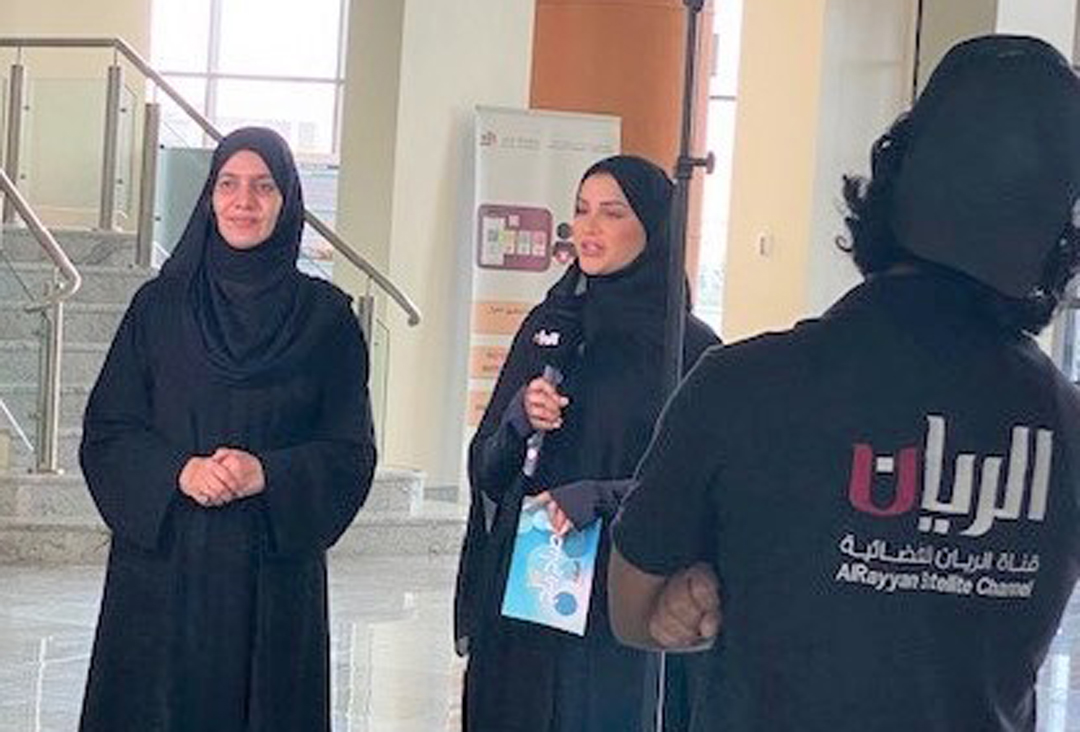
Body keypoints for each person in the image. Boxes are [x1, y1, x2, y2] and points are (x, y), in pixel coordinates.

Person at [608, 34, 1080, 732]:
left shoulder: (742, 385)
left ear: (891, 181)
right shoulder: (1066, 426)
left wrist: (689, 603)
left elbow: (631, 610)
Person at [78, 127, 377, 731]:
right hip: (164, 567)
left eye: (263, 187)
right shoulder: (158, 308)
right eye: (230, 185)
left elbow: (349, 451)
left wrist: (265, 472)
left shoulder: (326, 319)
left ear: (287, 200)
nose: (244, 201)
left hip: (271, 570)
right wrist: (178, 472)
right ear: (209, 197)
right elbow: (109, 430)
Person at [455, 155, 719, 731]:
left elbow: (701, 488)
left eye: (611, 212)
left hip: (621, 594)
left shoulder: (690, 350)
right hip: (532, 583)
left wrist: (600, 496)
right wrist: (521, 419)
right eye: (580, 211)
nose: (589, 228)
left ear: (653, 228)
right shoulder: (550, 326)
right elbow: (488, 468)